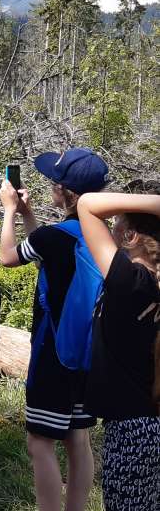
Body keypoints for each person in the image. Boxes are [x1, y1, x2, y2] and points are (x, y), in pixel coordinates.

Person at [0, 148, 108, 511]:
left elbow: (8, 257)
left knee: (40, 442)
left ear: (67, 193)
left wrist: (10, 211)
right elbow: (43, 248)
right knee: (78, 438)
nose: (51, 186)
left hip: (52, 351)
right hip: (88, 352)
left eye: (55, 183)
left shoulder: (54, 237)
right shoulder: (102, 236)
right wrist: (30, 214)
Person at [76, 191, 160, 511]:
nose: (110, 232)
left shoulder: (132, 282)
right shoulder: (149, 283)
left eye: (117, 225)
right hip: (148, 423)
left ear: (130, 236)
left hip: (132, 430)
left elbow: (86, 205)